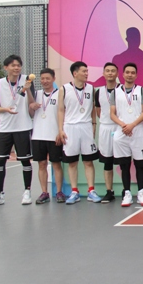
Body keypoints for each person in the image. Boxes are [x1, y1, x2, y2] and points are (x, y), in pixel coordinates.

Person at [57, 61, 102, 204]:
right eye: (84, 71)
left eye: (87, 71)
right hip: (70, 128)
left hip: (86, 127)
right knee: (72, 162)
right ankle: (74, 191)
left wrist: (94, 124)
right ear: (75, 73)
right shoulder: (64, 89)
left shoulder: (91, 88)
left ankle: (91, 191)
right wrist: (60, 129)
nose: (86, 73)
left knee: (88, 161)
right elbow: (61, 110)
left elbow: (93, 108)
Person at [110, 63, 143, 207]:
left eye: (133, 73)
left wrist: (132, 125)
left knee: (140, 165)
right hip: (121, 132)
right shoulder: (115, 92)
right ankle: (127, 193)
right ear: (123, 74)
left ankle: (141, 193)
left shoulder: (142, 90)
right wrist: (123, 125)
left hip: (138, 131)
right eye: (127, 72)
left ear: (136, 75)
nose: (130, 75)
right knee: (124, 165)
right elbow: (112, 114)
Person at [0, 55, 35, 205]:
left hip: (23, 127)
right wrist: (5, 109)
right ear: (6, 67)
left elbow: (32, 103)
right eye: (13, 65)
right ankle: (0, 192)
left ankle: (27, 191)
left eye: (19, 65)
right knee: (0, 161)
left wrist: (27, 89)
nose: (16, 68)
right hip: (5, 128)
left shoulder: (27, 80)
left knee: (25, 160)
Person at [29, 68, 65, 204]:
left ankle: (59, 192)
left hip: (54, 135)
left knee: (56, 164)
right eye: (42, 78)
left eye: (47, 78)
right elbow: (30, 113)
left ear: (53, 79)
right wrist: (31, 106)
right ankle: (44, 192)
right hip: (38, 135)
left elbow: (63, 114)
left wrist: (60, 131)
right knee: (42, 164)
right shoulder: (36, 94)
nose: (45, 81)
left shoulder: (60, 94)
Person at [94, 62, 118, 203]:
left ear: (117, 74)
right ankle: (109, 191)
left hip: (120, 128)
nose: (110, 73)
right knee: (107, 161)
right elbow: (99, 112)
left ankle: (126, 190)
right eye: (107, 71)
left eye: (113, 71)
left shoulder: (122, 90)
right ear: (103, 73)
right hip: (105, 128)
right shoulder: (98, 92)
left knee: (123, 161)